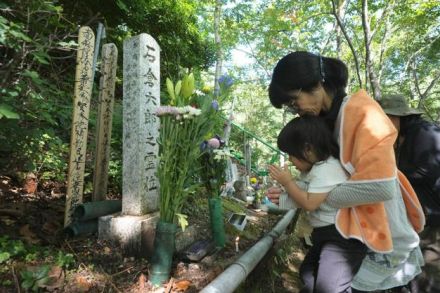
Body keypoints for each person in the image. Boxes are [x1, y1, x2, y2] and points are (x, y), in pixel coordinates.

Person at [267, 51, 425, 292]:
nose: (295, 109)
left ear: (316, 85)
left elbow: (380, 187)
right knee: (312, 279)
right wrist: (297, 193)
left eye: (292, 101)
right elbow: (319, 177)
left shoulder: (363, 112)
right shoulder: (326, 119)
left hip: (376, 226)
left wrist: (314, 199)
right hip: (346, 228)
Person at [269, 115, 367, 292]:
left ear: (307, 149)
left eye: (291, 154)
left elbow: (310, 203)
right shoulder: (315, 169)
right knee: (308, 273)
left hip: (343, 238)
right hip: (326, 234)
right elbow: (305, 194)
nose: (290, 160)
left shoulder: (328, 168)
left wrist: (287, 183)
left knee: (328, 287)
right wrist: (284, 196)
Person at [380, 94, 440, 293]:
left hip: (434, 217)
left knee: (427, 272)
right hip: (420, 216)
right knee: (411, 270)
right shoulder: (404, 137)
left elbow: (428, 169)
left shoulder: (425, 132)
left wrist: (391, 175)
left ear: (398, 117)